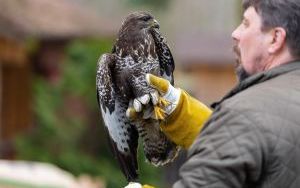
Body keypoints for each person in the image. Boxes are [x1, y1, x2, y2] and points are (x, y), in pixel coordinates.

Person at [126, 0, 300, 187]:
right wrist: (179, 110)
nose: (236, 33)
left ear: (275, 39)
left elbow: (246, 130)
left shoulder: (244, 115)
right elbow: (258, 140)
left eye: (247, 23)